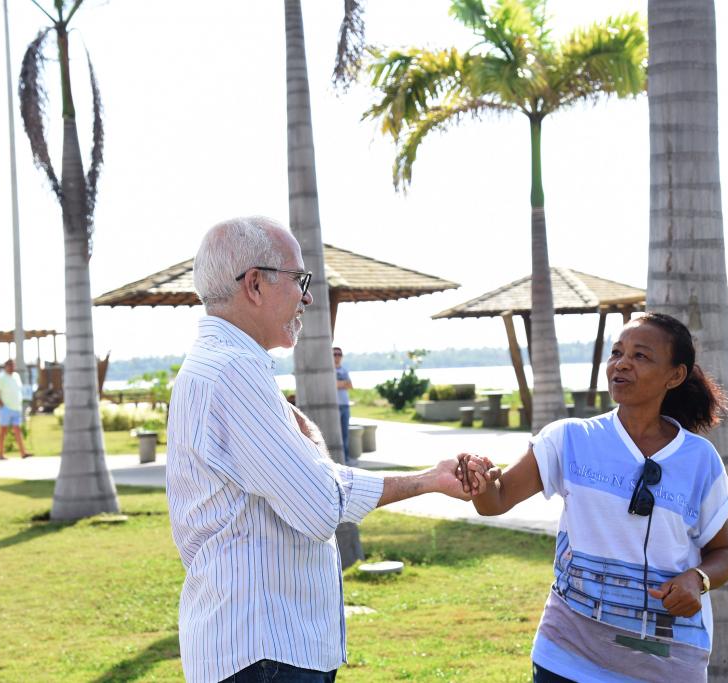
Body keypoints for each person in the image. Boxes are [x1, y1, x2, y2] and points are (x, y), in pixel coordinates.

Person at [166, 216, 488, 683]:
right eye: (299, 280)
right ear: (254, 284)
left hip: (259, 644)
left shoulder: (213, 367)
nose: (308, 297)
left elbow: (307, 487)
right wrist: (424, 481)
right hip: (265, 650)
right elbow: (319, 507)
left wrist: (426, 479)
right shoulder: (234, 371)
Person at [458, 313, 728, 683]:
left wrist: (697, 579)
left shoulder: (700, 459)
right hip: (566, 656)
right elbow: (496, 500)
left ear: (675, 376)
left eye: (640, 356)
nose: (621, 364)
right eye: (617, 353)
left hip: (666, 665)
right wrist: (480, 483)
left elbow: (724, 554)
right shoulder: (568, 439)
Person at [0, 360, 31, 460]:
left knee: (17, 430)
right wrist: (2, 406)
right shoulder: (0, 377)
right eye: (10, 366)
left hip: (16, 408)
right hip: (5, 408)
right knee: (3, 430)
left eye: (13, 365)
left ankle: (23, 452)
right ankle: (1, 454)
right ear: (5, 366)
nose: (12, 367)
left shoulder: (16, 376)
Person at [333, 346, 353, 463]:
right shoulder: (329, 370)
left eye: (339, 354)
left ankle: (346, 460)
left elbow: (350, 385)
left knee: (345, 434)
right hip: (334, 407)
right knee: (336, 434)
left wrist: (339, 384)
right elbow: (333, 384)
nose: (337, 356)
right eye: (334, 354)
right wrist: (343, 383)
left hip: (345, 405)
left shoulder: (344, 370)